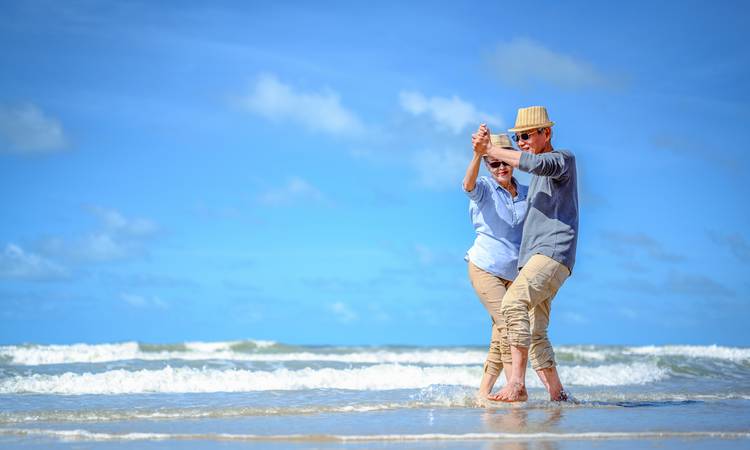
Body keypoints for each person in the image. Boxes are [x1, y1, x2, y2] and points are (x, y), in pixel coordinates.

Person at [472, 106, 579, 402]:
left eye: (526, 135)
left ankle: (516, 384)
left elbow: (533, 163)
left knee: (512, 303)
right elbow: (525, 163)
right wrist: (485, 152)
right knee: (537, 333)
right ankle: (558, 396)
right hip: (535, 261)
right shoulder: (532, 182)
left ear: (547, 133)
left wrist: (491, 148)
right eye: (517, 137)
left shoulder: (562, 160)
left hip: (552, 253)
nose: (521, 141)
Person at [462, 133, 528, 402]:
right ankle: (516, 387)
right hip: (485, 267)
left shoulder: (526, 192)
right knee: (509, 325)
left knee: (499, 333)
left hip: (514, 274)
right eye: (494, 163)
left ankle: (483, 394)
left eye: (504, 162)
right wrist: (479, 153)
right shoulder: (485, 189)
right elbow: (467, 185)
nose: (501, 168)